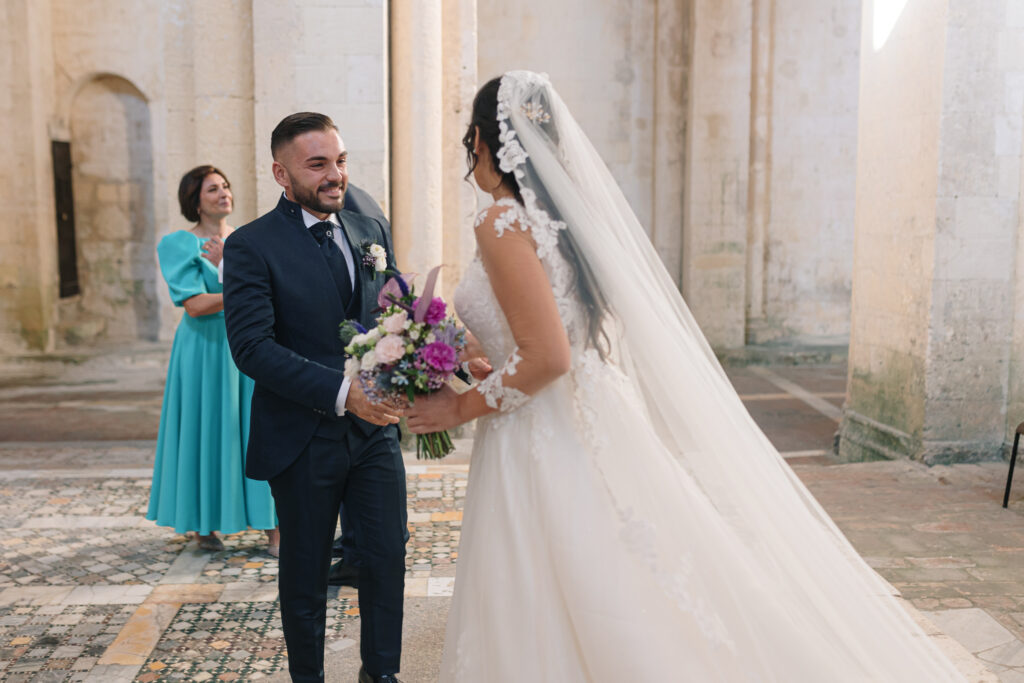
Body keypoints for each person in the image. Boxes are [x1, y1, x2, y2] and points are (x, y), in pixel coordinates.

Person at [404, 72, 966, 681]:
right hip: (587, 416)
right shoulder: (566, 222)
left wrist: (456, 409)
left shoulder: (501, 222)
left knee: (575, 577)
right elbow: (550, 337)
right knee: (626, 570)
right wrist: (479, 362)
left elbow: (550, 356)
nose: (470, 157)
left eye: (470, 141)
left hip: (542, 433)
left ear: (488, 141)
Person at [222, 113, 407, 683]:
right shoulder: (252, 245)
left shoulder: (369, 227)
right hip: (302, 436)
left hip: (374, 432)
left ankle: (381, 674)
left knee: (384, 561)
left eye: (341, 161)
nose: (336, 175)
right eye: (318, 164)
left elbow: (396, 309)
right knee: (304, 575)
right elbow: (252, 348)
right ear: (282, 172)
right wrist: (341, 392)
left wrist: (440, 359)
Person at [147, 165, 279, 555]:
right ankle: (204, 522)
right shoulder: (178, 244)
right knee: (208, 430)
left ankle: (273, 527)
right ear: (195, 201)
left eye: (225, 186)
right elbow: (194, 304)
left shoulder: (247, 239)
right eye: (212, 190)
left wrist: (237, 272)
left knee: (255, 430)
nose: (223, 194)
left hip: (249, 345)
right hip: (204, 349)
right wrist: (240, 285)